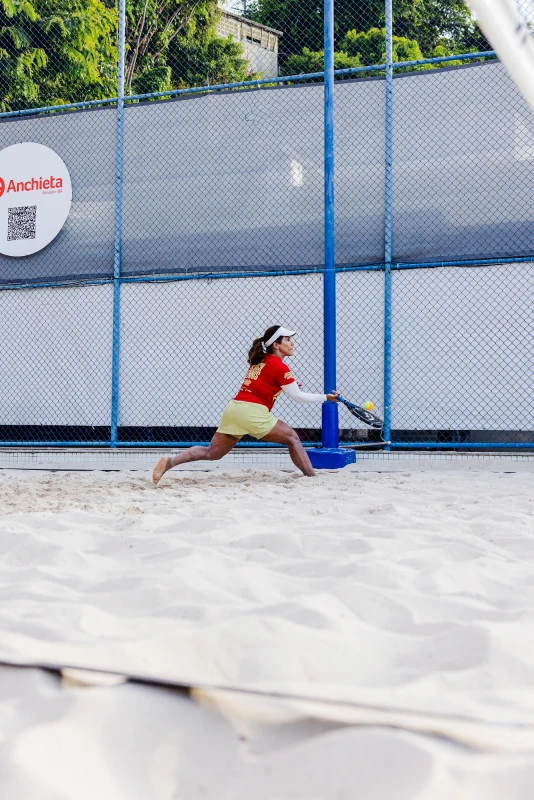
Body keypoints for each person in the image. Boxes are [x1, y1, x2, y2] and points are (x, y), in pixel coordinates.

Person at [152, 325, 339, 483]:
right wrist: (326, 398)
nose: (292, 343)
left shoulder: (261, 359)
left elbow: (265, 383)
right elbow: (298, 397)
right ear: (276, 345)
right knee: (293, 438)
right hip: (252, 412)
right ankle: (311, 478)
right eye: (288, 340)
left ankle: (170, 462)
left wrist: (284, 386)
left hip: (234, 409)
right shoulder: (281, 366)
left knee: (212, 452)